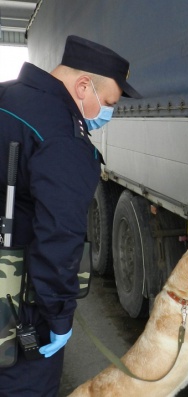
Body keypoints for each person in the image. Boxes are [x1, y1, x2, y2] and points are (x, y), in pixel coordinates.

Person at [0, 35, 142, 396]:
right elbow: (59, 236)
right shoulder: (62, 136)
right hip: (17, 307)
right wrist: (57, 316)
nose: (107, 113)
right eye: (108, 102)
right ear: (83, 86)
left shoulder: (7, 97)